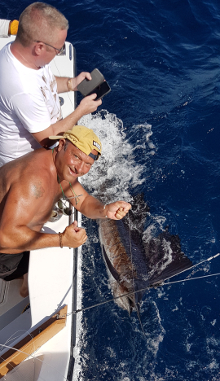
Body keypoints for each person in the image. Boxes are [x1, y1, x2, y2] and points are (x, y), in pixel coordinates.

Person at [0, 125, 131, 297]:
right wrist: (62, 240)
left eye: (88, 164)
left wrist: (105, 210)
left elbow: (82, 200)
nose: (80, 169)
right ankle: (23, 280)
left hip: (21, 233)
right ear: (61, 145)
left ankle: (24, 279)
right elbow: (5, 237)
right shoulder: (33, 181)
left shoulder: (61, 169)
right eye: (76, 157)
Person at [0, 2, 102, 166]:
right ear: (39, 48)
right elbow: (48, 140)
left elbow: (44, 81)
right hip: (26, 162)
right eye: (58, 49)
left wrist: (71, 84)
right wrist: (81, 111)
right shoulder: (23, 89)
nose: (59, 52)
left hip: (47, 133)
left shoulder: (19, 53)